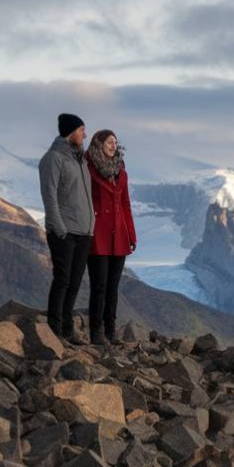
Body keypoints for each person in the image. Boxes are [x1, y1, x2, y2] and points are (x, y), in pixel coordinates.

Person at [39, 113, 94, 345]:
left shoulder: (79, 159)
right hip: (65, 231)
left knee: (74, 281)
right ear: (71, 132)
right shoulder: (54, 158)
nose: (85, 135)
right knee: (62, 279)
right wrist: (59, 228)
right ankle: (54, 328)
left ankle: (67, 327)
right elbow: (49, 194)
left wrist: (90, 226)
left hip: (83, 231)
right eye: (82, 130)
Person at [84, 129, 137, 346]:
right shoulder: (88, 169)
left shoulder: (121, 172)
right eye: (109, 142)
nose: (113, 145)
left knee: (113, 287)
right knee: (99, 286)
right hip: (98, 234)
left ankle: (111, 332)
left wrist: (131, 234)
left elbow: (125, 205)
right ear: (99, 144)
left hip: (119, 235)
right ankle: (96, 333)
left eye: (115, 142)